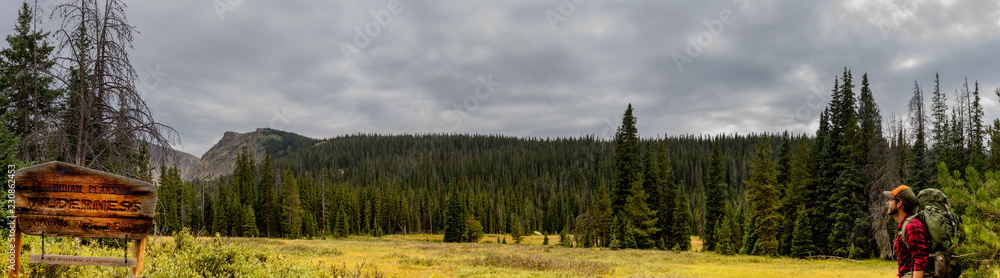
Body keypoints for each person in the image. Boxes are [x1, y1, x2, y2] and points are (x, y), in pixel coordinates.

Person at [884, 185, 930, 278]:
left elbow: (920, 260)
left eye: (891, 200)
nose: (887, 203)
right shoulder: (906, 225)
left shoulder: (912, 226)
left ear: (899, 204)